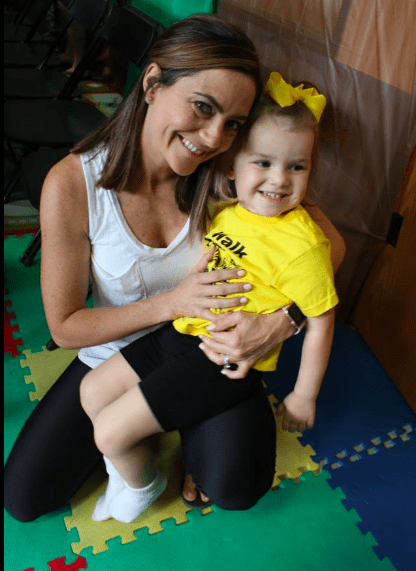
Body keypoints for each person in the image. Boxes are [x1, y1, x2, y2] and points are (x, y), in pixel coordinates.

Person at [4, 15, 346, 523]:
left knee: (234, 484)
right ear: (151, 83)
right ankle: (144, 444)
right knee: (24, 498)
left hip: (215, 351)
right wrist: (172, 303)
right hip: (121, 354)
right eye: (202, 108)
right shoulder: (74, 185)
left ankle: (181, 428)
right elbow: (64, 326)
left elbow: (330, 248)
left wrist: (280, 322)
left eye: (232, 123)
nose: (212, 137)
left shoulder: (233, 167)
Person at [79, 71, 338, 524]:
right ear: (234, 165)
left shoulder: (303, 244)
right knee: (92, 389)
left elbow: (322, 320)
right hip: (179, 332)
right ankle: (128, 471)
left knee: (109, 432)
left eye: (297, 167)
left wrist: (304, 394)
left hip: (220, 359)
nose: (279, 180)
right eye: (264, 163)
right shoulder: (230, 210)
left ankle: (142, 485)